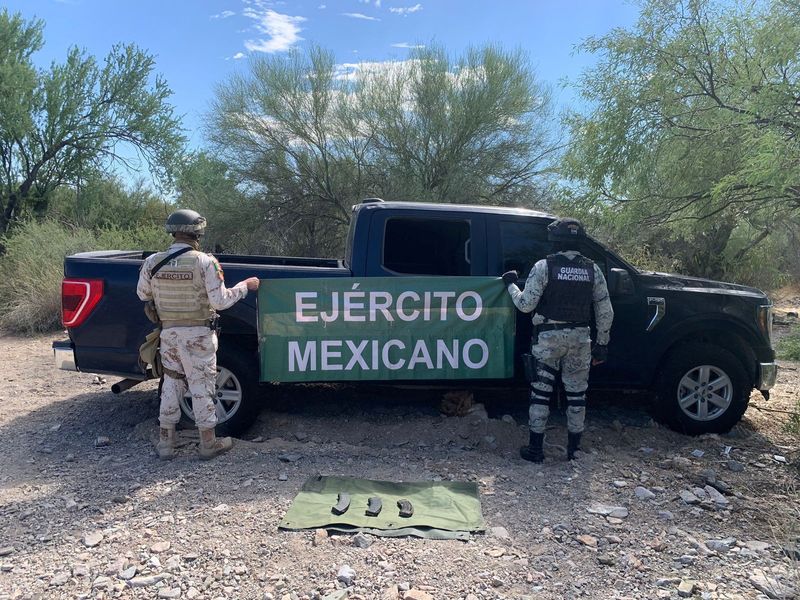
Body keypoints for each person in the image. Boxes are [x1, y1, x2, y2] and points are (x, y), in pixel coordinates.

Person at [136, 209, 260, 460]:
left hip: (169, 335)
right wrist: (245, 288)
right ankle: (208, 444)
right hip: (199, 336)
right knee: (202, 386)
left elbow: (142, 294)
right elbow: (220, 300)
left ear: (173, 231)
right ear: (198, 232)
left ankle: (166, 444)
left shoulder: (153, 262)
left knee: (172, 382)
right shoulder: (205, 262)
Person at [501, 218, 614, 462]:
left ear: (556, 240)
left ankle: (535, 450)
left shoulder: (544, 266)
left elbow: (525, 304)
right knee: (577, 394)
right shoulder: (592, 269)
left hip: (548, 339)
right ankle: (574, 451)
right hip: (581, 339)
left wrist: (510, 284)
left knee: (540, 394)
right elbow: (605, 310)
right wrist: (602, 343)